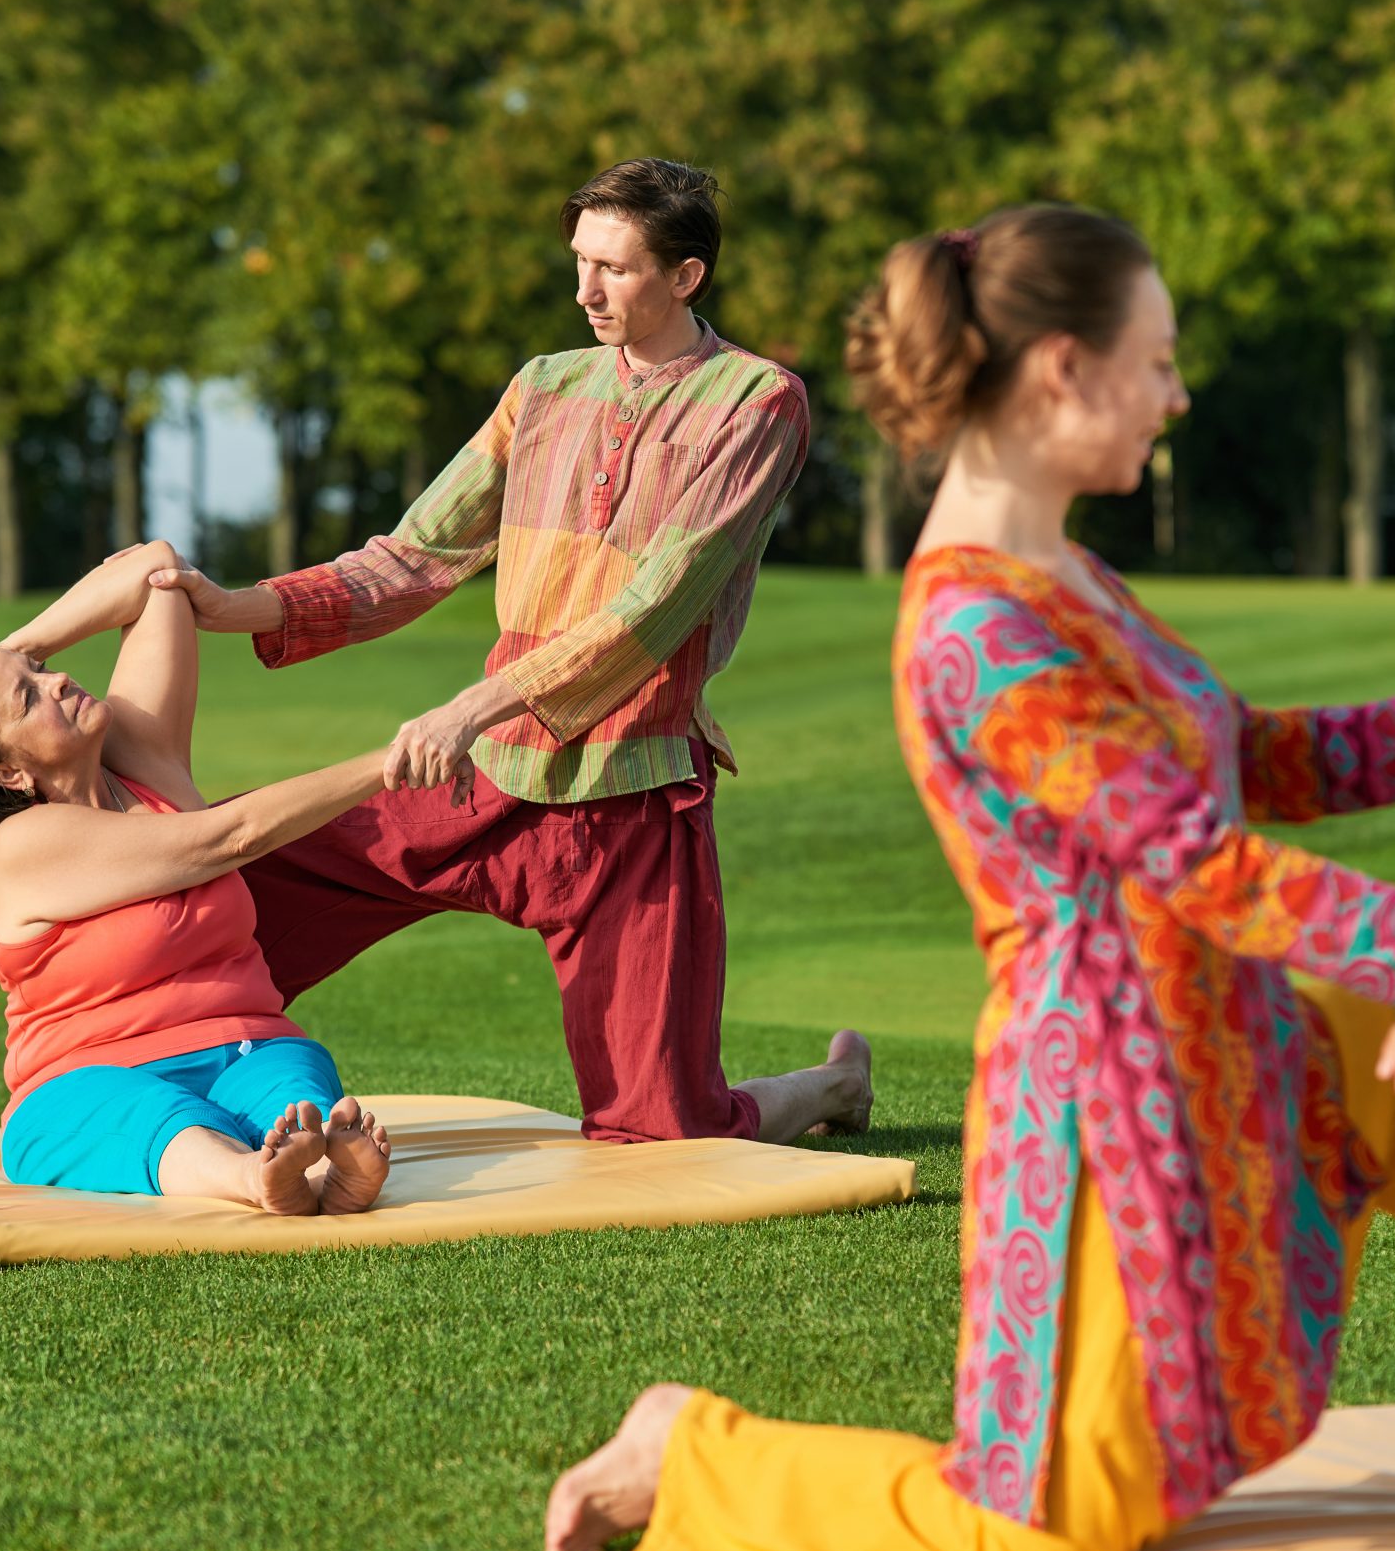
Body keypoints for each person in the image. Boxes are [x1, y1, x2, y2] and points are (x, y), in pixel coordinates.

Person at [540, 204, 1395, 1551]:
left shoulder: (1067, 575)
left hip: (1249, 1027)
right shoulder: (978, 627)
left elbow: (1232, 756)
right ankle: (694, 1457)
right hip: (1114, 1090)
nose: (1177, 391)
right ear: (1062, 371)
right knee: (1042, 1532)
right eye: (1156, 360)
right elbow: (1194, 863)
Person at [147, 157, 869, 1147]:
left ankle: (829, 1086)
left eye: (613, 268)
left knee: (663, 1128)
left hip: (628, 793)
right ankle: (166, 1100)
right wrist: (230, 607)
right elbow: (414, 555)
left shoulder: (757, 403)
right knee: (229, 901)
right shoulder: (541, 388)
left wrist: (467, 709)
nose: (584, 290)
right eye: (579, 261)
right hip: (482, 781)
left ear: (685, 277)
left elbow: (655, 608)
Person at [0, 541, 399, 1216]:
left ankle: (326, 1173)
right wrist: (390, 762)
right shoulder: (19, 846)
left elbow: (157, 572)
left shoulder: (142, 758)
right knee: (151, 1115)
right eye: (29, 695)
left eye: (42, 668)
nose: (59, 679)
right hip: (86, 1078)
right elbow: (231, 835)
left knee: (296, 1086)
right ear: (8, 774)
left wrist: (2, 657)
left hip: (247, 1045)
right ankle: (253, 1177)